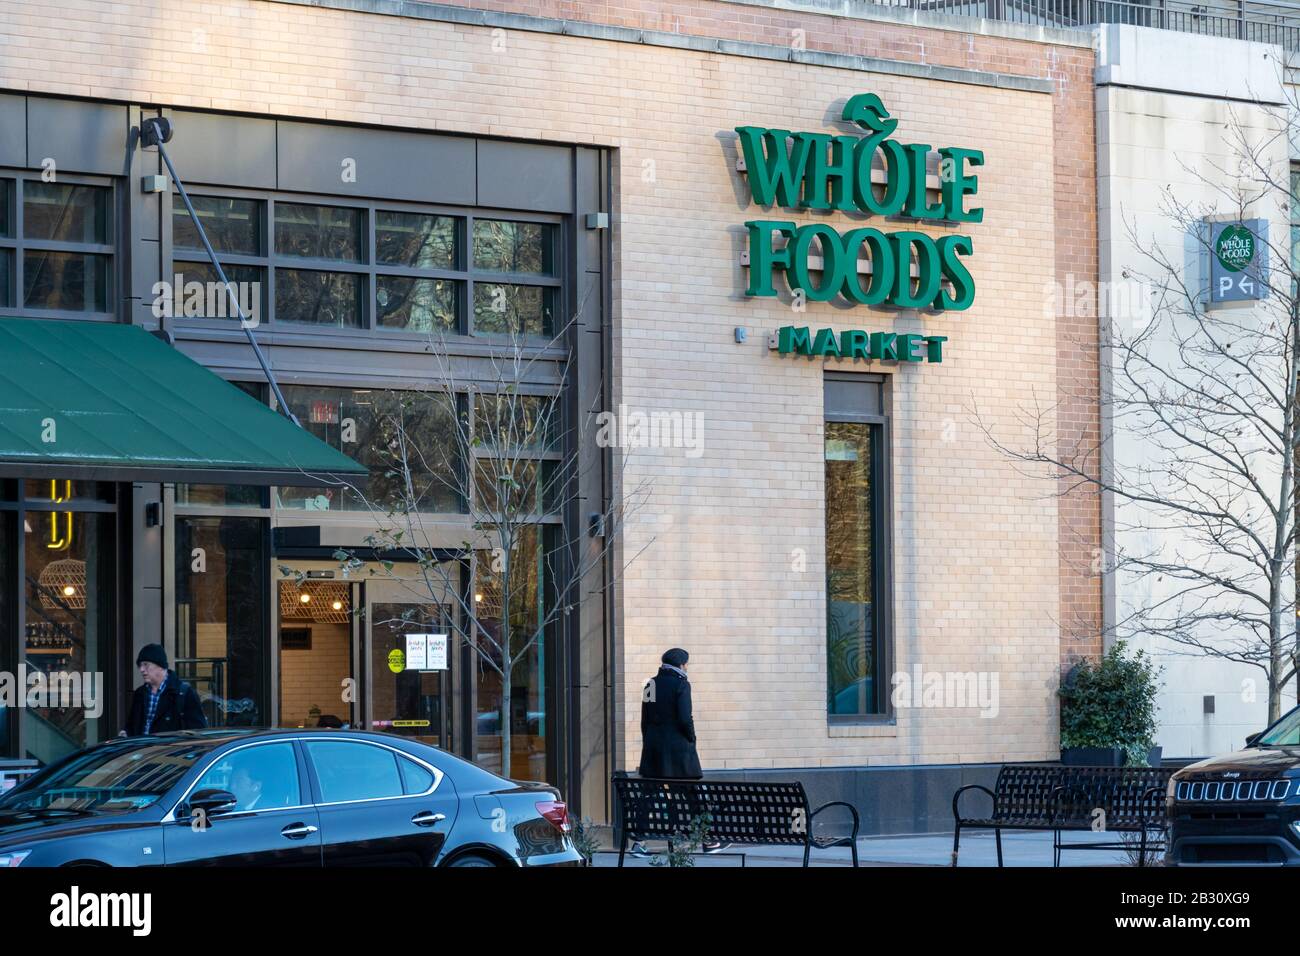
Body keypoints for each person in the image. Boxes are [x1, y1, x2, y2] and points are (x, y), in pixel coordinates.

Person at [631, 648, 726, 856]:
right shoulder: (682, 684)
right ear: (681, 665)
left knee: (648, 797)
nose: (687, 668)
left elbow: (644, 720)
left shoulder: (650, 684)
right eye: (686, 664)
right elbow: (685, 717)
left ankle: (638, 842)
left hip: (654, 752)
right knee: (692, 797)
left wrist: (649, 741)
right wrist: (691, 737)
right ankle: (708, 840)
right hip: (679, 754)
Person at [121, 644, 208, 737]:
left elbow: (199, 732)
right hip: (142, 749)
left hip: (169, 750)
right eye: (140, 665)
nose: (142, 669)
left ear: (160, 666)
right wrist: (125, 734)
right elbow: (131, 726)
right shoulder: (140, 693)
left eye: (146, 665)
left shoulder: (184, 693)